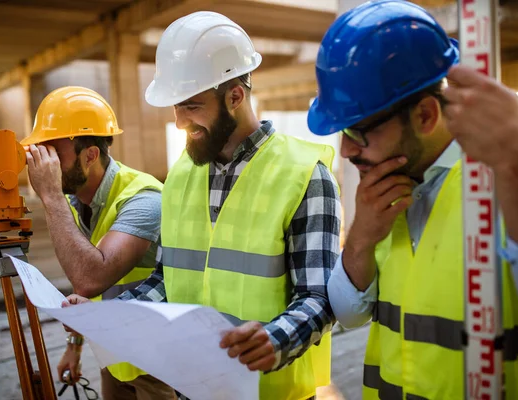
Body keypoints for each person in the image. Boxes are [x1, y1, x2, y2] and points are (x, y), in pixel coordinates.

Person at [66, 11, 344, 400]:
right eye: (175, 107)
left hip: (271, 392)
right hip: (192, 388)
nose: (180, 121)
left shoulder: (305, 176)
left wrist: (272, 340)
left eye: (192, 106)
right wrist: (106, 316)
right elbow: (168, 280)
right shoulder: (181, 176)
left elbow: (319, 297)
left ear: (235, 95)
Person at [307, 1, 518, 399]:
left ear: (426, 116)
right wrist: (360, 239)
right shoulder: (386, 188)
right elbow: (348, 314)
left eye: (357, 132)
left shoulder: (504, 185)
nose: (344, 151)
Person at [22, 87, 176, 400]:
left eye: (54, 152)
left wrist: (50, 196)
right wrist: (75, 346)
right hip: (114, 353)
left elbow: (89, 277)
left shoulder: (142, 199)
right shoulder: (77, 201)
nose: (45, 161)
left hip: (156, 359)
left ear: (90, 155)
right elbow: (85, 280)